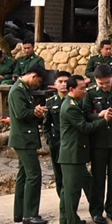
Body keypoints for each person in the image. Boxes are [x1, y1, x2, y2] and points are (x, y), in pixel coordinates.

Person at [58, 74, 112, 224]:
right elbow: (84, 127)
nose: (85, 91)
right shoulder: (71, 106)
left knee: (69, 187)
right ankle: (72, 222)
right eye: (82, 88)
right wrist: (104, 121)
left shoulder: (74, 103)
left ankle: (66, 218)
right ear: (72, 89)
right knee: (72, 190)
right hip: (72, 153)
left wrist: (98, 115)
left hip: (74, 153)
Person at [86, 65, 112, 224]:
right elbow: (86, 114)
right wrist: (100, 116)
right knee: (97, 179)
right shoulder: (90, 94)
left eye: (107, 82)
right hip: (99, 142)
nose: (104, 86)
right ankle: (96, 211)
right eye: (101, 83)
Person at [9, 66, 50, 224]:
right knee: (34, 175)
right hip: (23, 139)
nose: (37, 85)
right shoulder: (18, 91)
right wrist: (36, 112)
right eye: (38, 81)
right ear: (33, 76)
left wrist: (35, 111)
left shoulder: (23, 89)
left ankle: (20, 212)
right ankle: (30, 214)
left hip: (25, 138)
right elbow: (21, 113)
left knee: (23, 175)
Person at [45, 72, 70, 204]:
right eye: (60, 81)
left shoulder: (77, 100)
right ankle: (64, 202)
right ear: (55, 84)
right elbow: (46, 124)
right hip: (56, 142)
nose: (63, 84)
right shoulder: (50, 102)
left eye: (66, 81)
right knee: (59, 174)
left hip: (72, 143)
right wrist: (50, 140)